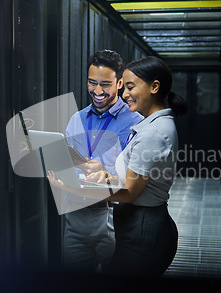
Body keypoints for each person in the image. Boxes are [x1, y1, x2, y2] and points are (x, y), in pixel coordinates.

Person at [49, 56, 187, 277]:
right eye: (92, 82)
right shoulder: (152, 126)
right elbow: (130, 178)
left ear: (154, 87)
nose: (125, 95)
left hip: (140, 223)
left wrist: (71, 188)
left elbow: (130, 192)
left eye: (130, 87)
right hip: (136, 222)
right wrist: (104, 174)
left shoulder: (152, 132)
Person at [63, 50, 143, 273]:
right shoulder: (76, 119)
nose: (97, 91)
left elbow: (135, 176)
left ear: (119, 84)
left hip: (113, 215)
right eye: (92, 83)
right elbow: (68, 162)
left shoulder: (135, 122)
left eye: (105, 84)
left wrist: (104, 172)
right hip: (76, 213)